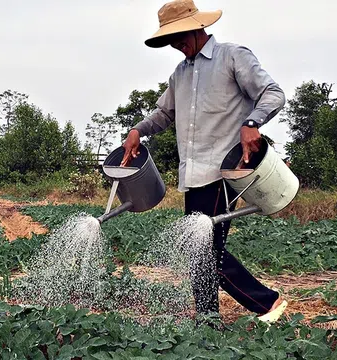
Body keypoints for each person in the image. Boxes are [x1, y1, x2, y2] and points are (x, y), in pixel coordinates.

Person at [121, 0, 287, 323]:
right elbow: (164, 114)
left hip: (222, 174)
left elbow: (272, 93)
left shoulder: (232, 57)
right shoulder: (180, 74)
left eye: (181, 35)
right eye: (171, 39)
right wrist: (137, 131)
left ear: (198, 26)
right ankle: (208, 320)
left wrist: (252, 124)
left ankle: (268, 304)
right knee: (200, 255)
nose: (177, 44)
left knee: (208, 254)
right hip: (192, 177)